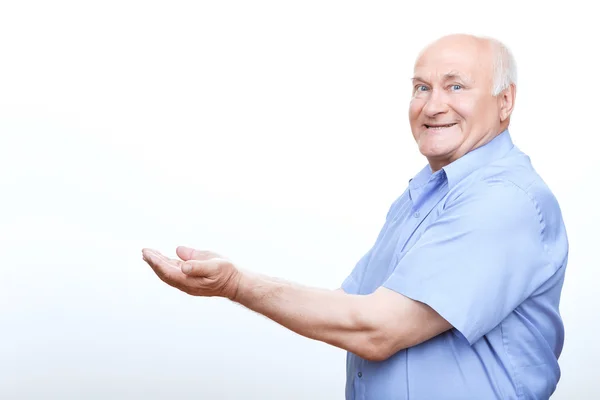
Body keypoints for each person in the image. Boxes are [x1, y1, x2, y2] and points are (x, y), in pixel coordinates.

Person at [142, 33, 569, 400]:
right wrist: (235, 280)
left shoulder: (504, 201)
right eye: (421, 88)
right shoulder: (421, 198)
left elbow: (377, 330)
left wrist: (236, 285)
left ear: (505, 101)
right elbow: (351, 309)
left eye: (455, 87)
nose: (433, 105)